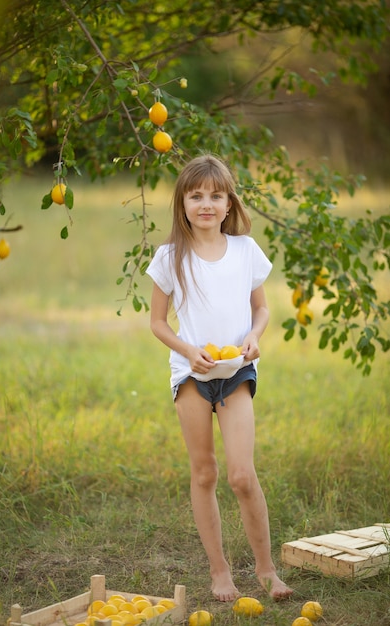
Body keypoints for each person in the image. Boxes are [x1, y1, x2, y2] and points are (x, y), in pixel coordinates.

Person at [146, 154, 293, 602]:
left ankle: (266, 570)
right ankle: (219, 570)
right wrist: (189, 352)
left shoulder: (246, 250)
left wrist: (253, 335)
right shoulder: (170, 257)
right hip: (191, 376)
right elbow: (157, 323)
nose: (206, 204)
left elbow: (262, 308)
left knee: (242, 476)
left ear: (229, 203)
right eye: (196, 196)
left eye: (215, 195)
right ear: (182, 203)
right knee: (205, 472)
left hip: (237, 372)